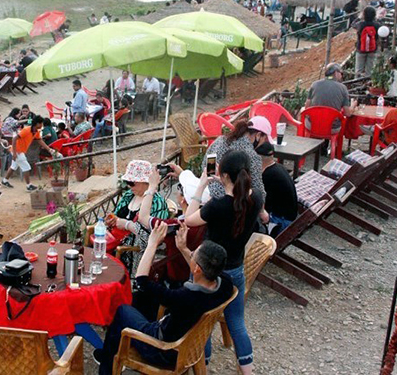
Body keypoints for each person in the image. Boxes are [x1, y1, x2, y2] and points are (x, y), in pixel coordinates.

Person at [93, 228, 233, 375]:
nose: (190, 254)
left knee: (122, 311)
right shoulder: (225, 284)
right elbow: (201, 271)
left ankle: (106, 368)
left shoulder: (184, 298)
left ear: (197, 268)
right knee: (141, 301)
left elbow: (141, 281)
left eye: (192, 254)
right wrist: (183, 248)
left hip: (162, 351)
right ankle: (111, 354)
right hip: (184, 342)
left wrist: (152, 244)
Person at [185, 150, 265, 374]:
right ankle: (248, 371)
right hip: (236, 269)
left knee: (202, 321)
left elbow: (189, 220)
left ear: (224, 175)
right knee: (237, 323)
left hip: (208, 271)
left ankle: (203, 365)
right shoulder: (256, 199)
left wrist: (201, 186)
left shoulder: (217, 206)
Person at [105, 160, 169, 274]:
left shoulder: (157, 202)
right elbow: (117, 215)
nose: (129, 186)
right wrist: (112, 220)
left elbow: (155, 236)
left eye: (132, 183)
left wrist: (127, 225)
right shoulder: (129, 195)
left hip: (133, 253)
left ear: (146, 182)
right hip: (114, 243)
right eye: (127, 182)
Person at [3, 117, 59, 190]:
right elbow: (14, 139)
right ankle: (28, 185)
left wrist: (49, 150)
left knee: (13, 166)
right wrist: (14, 153)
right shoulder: (26, 130)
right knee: (26, 167)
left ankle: (5, 180)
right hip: (17, 151)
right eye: (41, 123)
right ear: (37, 124)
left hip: (19, 151)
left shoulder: (36, 131)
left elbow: (40, 141)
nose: (42, 125)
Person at [254, 142, 297, 236]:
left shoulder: (268, 175)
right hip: (291, 215)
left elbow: (263, 202)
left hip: (281, 221)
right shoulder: (279, 167)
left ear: (258, 158)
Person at [304, 63, 353, 132]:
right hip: (332, 128)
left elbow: (307, 107)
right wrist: (353, 105)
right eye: (341, 73)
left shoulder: (314, 84)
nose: (342, 75)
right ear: (336, 73)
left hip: (312, 125)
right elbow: (347, 113)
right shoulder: (343, 88)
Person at [354, 7, 380, 76]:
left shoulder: (360, 24)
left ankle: (358, 81)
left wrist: (359, 18)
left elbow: (352, 24)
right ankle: (368, 82)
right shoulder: (376, 25)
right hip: (372, 50)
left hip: (360, 49)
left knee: (358, 70)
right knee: (369, 71)